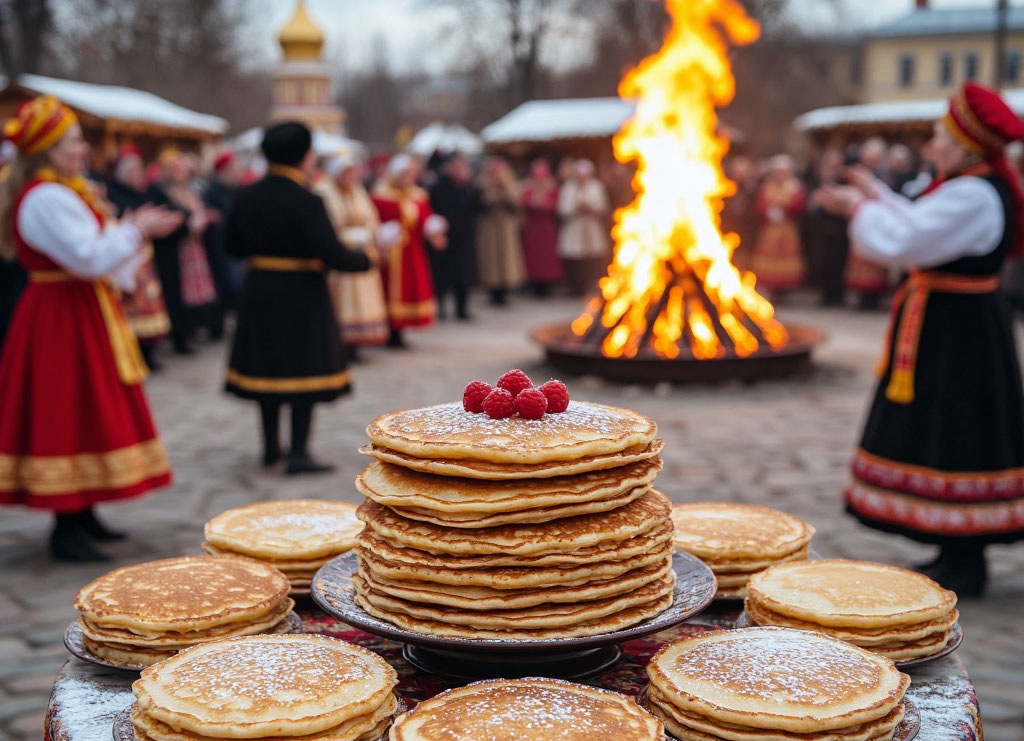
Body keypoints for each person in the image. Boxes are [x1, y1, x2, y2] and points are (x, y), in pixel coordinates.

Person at [815, 81, 1024, 597]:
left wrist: (856, 211)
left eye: (939, 137)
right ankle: (952, 545)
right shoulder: (969, 187)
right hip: (953, 324)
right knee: (944, 426)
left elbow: (908, 240)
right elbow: (918, 221)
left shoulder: (974, 192)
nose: (932, 148)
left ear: (966, 145)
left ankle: (965, 558)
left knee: (956, 427)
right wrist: (875, 195)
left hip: (960, 332)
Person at [0, 96, 183, 561]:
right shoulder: (45, 197)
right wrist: (136, 229)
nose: (82, 148)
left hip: (80, 309)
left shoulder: (65, 190)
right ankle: (66, 523)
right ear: (48, 148)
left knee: (87, 407)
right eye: (74, 141)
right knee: (65, 410)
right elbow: (87, 257)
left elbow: (99, 255)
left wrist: (132, 236)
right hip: (58, 317)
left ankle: (83, 512)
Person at [224, 122, 377, 475]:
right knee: (303, 370)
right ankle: (298, 452)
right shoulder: (308, 200)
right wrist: (369, 257)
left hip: (260, 289)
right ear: (305, 156)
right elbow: (333, 254)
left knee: (267, 368)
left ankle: (268, 447)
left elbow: (231, 246)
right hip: (302, 293)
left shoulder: (246, 195)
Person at [312, 151, 389, 352]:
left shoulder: (358, 191)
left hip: (361, 254)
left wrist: (370, 233)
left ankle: (356, 343)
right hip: (339, 255)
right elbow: (327, 225)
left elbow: (371, 217)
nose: (351, 177)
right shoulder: (323, 191)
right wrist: (349, 235)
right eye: (347, 172)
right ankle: (338, 342)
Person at [105, 146, 171, 370]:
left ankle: (148, 352)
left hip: (143, 258)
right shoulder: (114, 194)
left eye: (138, 170)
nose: (137, 175)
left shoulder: (144, 193)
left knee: (148, 304)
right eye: (131, 171)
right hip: (125, 260)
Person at [371, 153, 446, 348]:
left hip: (412, 251)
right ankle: (389, 331)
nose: (409, 177)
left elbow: (424, 218)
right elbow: (374, 219)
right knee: (389, 289)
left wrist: (433, 228)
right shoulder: (381, 194)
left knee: (409, 289)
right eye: (405, 173)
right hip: (390, 251)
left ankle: (400, 330)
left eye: (411, 174)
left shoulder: (418, 195)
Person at [148, 148, 218, 353]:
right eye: (173, 168)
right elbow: (165, 216)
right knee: (175, 293)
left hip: (193, 250)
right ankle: (179, 335)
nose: (178, 172)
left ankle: (190, 330)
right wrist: (188, 221)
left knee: (193, 294)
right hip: (174, 251)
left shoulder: (190, 191)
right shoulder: (160, 191)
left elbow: (199, 211)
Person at [428, 152, 478, 320]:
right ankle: (440, 308)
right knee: (443, 275)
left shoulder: (469, 187)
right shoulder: (439, 187)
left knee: (463, 276)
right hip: (445, 237)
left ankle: (461, 309)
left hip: (464, 238)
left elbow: (477, 208)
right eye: (456, 165)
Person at [749, 154, 806, 298]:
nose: (781, 175)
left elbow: (799, 204)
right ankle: (769, 287)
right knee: (768, 258)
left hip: (787, 228)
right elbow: (760, 204)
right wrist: (768, 212)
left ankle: (784, 289)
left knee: (786, 257)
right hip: (770, 228)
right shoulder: (767, 187)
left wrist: (786, 210)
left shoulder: (795, 186)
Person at [475, 155, 524, 307]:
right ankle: (492, 291)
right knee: (491, 259)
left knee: (506, 259)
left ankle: (506, 290)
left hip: (506, 228)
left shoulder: (510, 186)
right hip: (489, 228)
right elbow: (478, 207)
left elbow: (516, 207)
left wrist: (504, 195)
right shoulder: (481, 185)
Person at [557, 158, 610, 296]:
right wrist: (576, 207)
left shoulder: (596, 187)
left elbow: (603, 206)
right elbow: (562, 208)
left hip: (591, 228)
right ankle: (575, 289)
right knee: (575, 261)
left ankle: (591, 286)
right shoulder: (568, 188)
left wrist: (590, 207)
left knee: (592, 260)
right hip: (574, 228)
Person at [519, 157, 563, 297]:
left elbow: (555, 204)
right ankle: (534, 284)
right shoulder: (528, 188)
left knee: (547, 256)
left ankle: (546, 285)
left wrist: (543, 204)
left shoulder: (551, 187)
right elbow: (523, 203)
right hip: (532, 228)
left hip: (546, 227)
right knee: (532, 255)